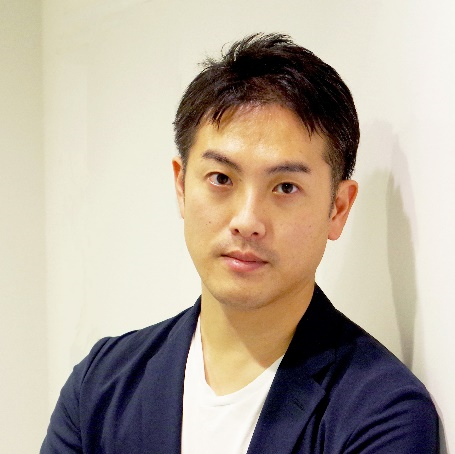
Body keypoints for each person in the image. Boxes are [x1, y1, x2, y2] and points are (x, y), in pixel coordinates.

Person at [41, 33, 438, 453]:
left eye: (285, 187)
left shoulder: (380, 412)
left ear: (337, 209)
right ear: (181, 186)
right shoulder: (101, 385)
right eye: (221, 179)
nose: (247, 221)